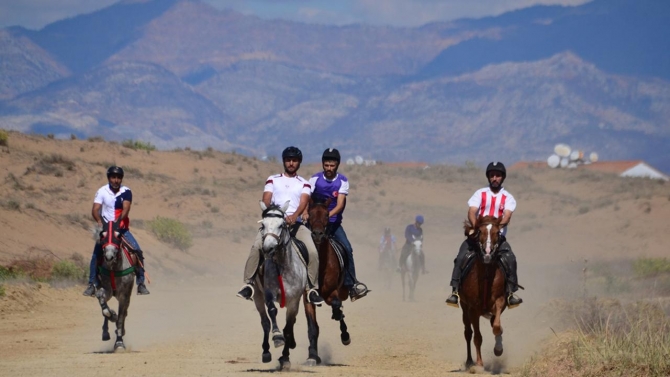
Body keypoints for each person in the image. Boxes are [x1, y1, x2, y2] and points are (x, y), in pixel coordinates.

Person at [236, 146, 324, 306]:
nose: (291, 163)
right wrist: (272, 213)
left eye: (294, 160)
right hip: (274, 224)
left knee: (312, 251)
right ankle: (248, 284)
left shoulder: (304, 183)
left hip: (295, 225)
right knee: (257, 247)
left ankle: (312, 289)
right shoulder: (273, 179)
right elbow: (267, 198)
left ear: (299, 163)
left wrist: (295, 215)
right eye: (288, 160)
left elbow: (303, 201)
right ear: (284, 161)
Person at [445, 162, 523, 308]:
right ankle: (455, 292)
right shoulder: (480, 193)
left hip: (497, 238)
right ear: (488, 177)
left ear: (502, 178)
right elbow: (472, 211)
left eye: (498, 175)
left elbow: (507, 216)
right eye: (492, 175)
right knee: (461, 256)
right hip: (478, 236)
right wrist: (477, 228)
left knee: (511, 259)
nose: (494, 178)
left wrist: (495, 229)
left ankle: (511, 293)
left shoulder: (508, 198)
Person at [308, 148, 369, 302]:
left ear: (337, 165)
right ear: (323, 164)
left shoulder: (342, 181)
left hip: (333, 224)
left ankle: (352, 283)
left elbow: (340, 204)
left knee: (347, 248)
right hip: (314, 224)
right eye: (326, 165)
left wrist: (328, 216)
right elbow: (306, 198)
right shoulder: (314, 179)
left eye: (332, 165)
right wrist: (305, 213)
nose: (329, 168)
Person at [83, 166, 150, 296]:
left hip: (121, 229)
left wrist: (118, 223)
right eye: (113, 177)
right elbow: (95, 209)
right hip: (106, 230)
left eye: (118, 177)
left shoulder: (126, 191)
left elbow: (126, 208)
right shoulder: (102, 191)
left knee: (137, 250)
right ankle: (92, 284)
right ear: (109, 178)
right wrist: (101, 222)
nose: (116, 180)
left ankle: (140, 283)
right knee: (96, 255)